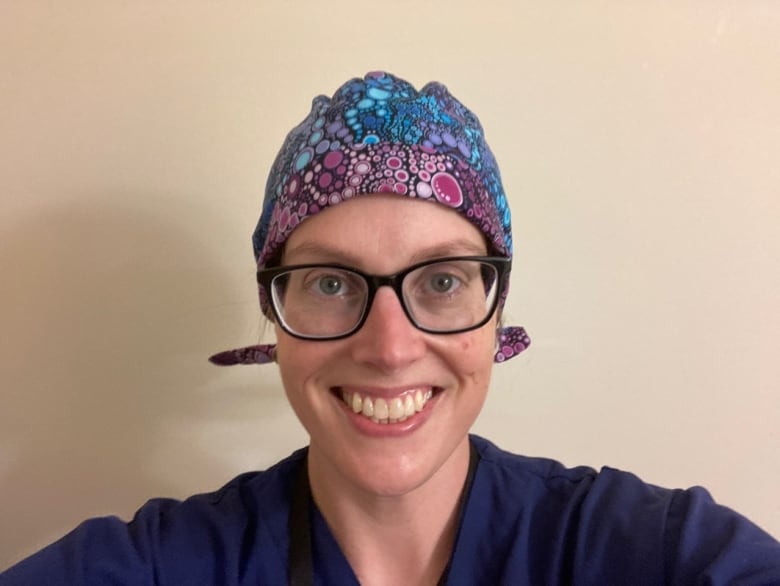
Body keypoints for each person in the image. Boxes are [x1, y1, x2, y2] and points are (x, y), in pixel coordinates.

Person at [2, 71, 779, 586]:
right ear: (273, 312)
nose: (390, 347)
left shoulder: (647, 550)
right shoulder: (164, 566)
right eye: (331, 283)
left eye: (440, 281)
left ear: (496, 304)